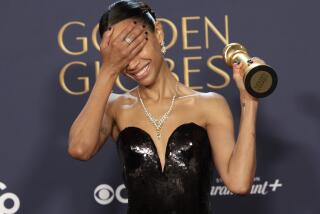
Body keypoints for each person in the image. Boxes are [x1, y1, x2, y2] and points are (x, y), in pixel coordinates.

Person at [68, 1, 260, 213]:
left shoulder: (209, 104)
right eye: (121, 55)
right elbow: (80, 149)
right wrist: (109, 70)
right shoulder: (115, 106)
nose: (132, 64)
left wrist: (249, 100)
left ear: (158, 33)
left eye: (135, 46)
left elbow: (239, 183)